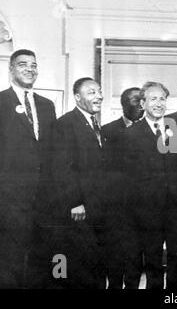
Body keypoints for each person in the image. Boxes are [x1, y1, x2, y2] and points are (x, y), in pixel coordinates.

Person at [0, 49, 56, 288]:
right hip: (9, 198)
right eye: (23, 64)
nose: (30, 69)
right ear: (11, 69)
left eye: (34, 65)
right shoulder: (1, 103)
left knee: (41, 258)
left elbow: (52, 151)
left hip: (43, 198)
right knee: (10, 258)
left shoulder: (47, 105)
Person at [47, 77, 107, 288]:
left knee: (94, 263)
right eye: (92, 92)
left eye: (99, 91)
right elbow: (61, 167)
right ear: (77, 97)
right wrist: (75, 202)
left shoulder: (95, 124)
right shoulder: (65, 124)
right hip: (78, 209)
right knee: (75, 266)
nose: (99, 96)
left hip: (96, 209)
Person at [122, 82, 170, 289]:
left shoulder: (176, 130)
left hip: (170, 211)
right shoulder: (130, 134)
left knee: (157, 266)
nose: (158, 104)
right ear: (143, 103)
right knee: (134, 264)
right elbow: (126, 177)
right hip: (140, 212)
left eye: (162, 99)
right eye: (153, 99)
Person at [102, 87, 143, 289]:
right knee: (115, 255)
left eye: (141, 100)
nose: (139, 104)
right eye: (135, 100)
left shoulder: (151, 130)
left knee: (135, 255)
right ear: (123, 104)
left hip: (141, 206)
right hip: (115, 206)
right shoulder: (107, 131)